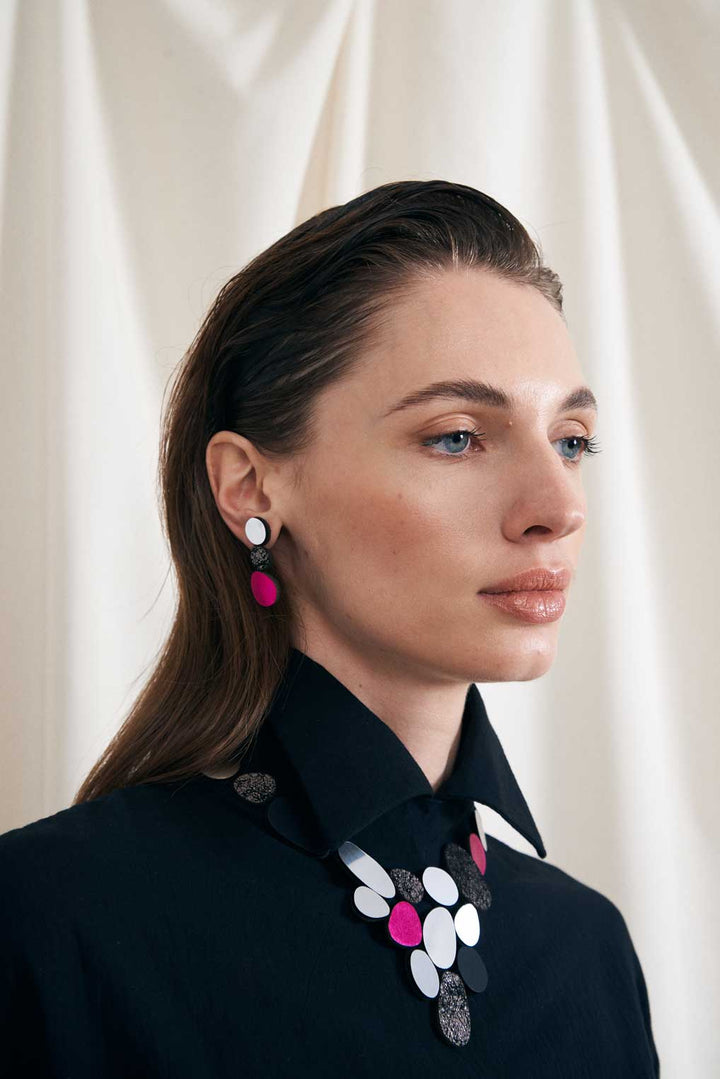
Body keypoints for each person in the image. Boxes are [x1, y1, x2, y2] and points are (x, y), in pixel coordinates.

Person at [0, 180, 660, 1076]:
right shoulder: (51, 917)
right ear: (252, 488)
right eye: (459, 435)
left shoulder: (587, 952)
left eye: (572, 440)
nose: (557, 506)